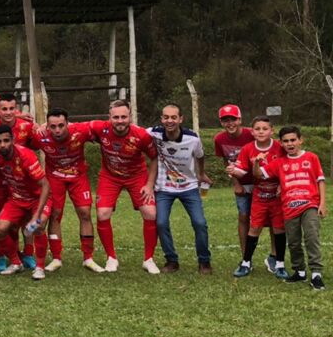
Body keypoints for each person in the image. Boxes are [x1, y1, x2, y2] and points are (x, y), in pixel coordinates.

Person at [86, 99, 160, 274]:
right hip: (110, 176)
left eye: (124, 117)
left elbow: (155, 157)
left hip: (137, 175)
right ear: (109, 117)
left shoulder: (141, 135)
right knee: (102, 213)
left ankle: (148, 259)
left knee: (150, 212)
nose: (120, 120)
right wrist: (43, 125)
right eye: (116, 117)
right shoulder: (99, 128)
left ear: (130, 117)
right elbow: (73, 127)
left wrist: (149, 185)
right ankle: (111, 258)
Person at [32, 109, 103, 272]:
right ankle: (56, 258)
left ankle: (88, 258)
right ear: (47, 127)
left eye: (61, 126)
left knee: (85, 213)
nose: (57, 130)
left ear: (68, 124)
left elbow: (104, 128)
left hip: (78, 177)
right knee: (55, 215)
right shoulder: (41, 135)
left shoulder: (80, 130)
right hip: (54, 178)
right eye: (53, 127)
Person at [148, 104, 212, 274]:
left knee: (200, 223)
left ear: (181, 119)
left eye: (173, 117)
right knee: (161, 223)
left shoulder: (193, 138)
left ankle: (204, 262)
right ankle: (171, 260)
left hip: (189, 186)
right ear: (161, 119)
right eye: (166, 117)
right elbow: (132, 131)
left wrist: (201, 174)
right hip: (164, 187)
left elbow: (200, 156)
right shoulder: (153, 133)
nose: (170, 121)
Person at [259, 126, 325, 289]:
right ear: (281, 143)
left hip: (310, 205)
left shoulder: (311, 157)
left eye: (293, 140)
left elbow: (320, 180)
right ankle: (300, 272)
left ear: (300, 140)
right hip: (289, 208)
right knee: (294, 242)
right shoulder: (279, 163)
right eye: (286, 141)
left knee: (311, 237)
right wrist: (255, 162)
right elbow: (259, 174)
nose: (290, 143)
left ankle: (316, 273)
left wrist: (322, 203)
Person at [0, 124, 52, 279]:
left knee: (37, 226)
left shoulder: (26, 156)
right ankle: (16, 263)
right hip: (16, 199)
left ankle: (40, 267)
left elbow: (45, 186)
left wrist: (37, 214)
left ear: (13, 139)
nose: (2, 145)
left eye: (6, 140)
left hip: (37, 198)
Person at [229, 116, 288, 279]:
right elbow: (242, 170)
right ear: (252, 131)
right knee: (254, 228)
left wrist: (282, 185)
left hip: (277, 196)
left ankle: (280, 264)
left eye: (265, 128)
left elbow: (287, 167)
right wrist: (234, 171)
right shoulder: (248, 149)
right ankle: (246, 263)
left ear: (271, 131)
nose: (261, 131)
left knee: (279, 228)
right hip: (259, 195)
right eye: (257, 129)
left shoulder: (279, 147)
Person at [214, 104, 263, 260]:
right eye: (225, 120)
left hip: (261, 181)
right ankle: (245, 257)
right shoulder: (219, 139)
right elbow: (226, 162)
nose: (230, 124)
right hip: (242, 183)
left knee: (270, 219)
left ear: (240, 119)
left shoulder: (252, 134)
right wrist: (236, 183)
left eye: (233, 119)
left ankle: (275, 257)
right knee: (243, 217)